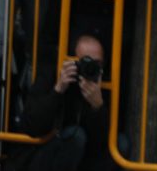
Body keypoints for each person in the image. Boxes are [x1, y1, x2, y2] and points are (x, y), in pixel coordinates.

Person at [12, 34, 114, 171]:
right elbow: (31, 126)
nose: (91, 68)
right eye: (86, 62)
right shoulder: (53, 75)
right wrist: (58, 89)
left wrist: (97, 106)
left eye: (97, 64)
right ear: (71, 61)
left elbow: (101, 144)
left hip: (83, 158)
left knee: (121, 144)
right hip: (45, 153)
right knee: (76, 136)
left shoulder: (107, 83)